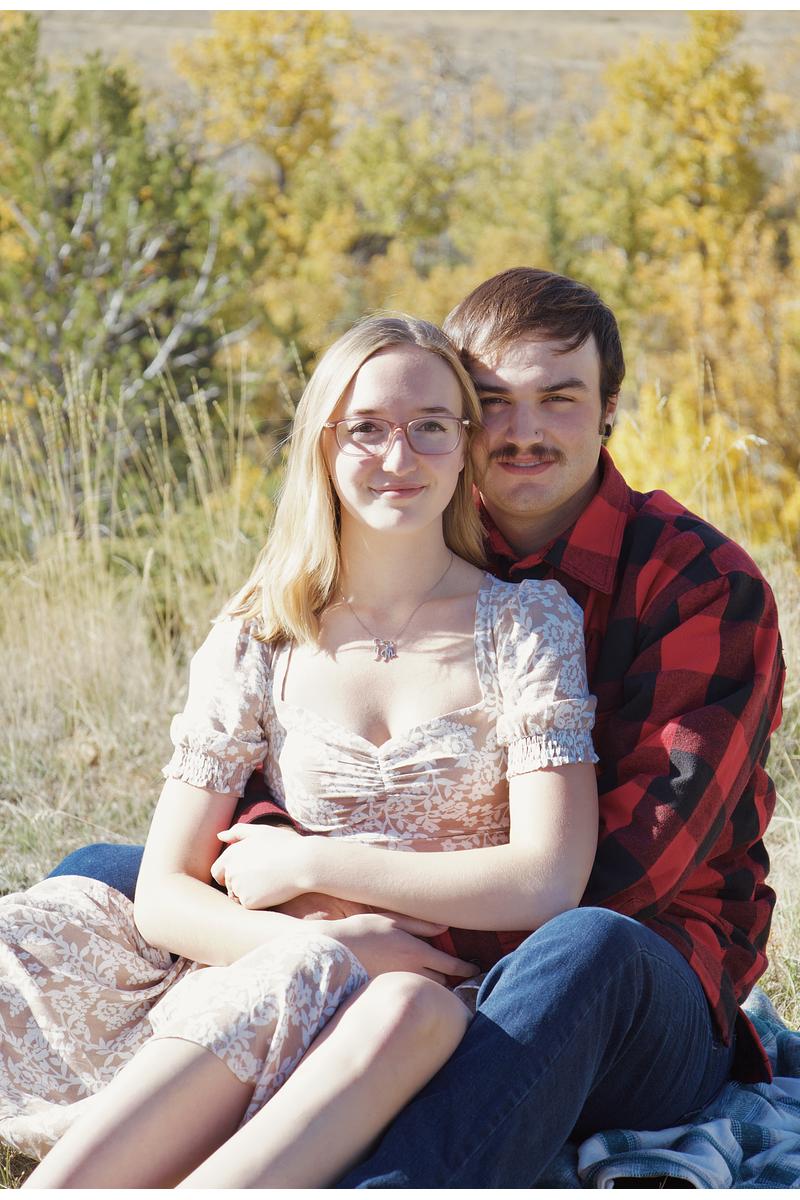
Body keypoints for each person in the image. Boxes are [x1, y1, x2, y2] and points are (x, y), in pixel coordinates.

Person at [42, 268, 787, 1187]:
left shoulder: (698, 583)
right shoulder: (414, 524)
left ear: (609, 412)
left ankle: (388, 1178)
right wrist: (307, 897)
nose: (522, 430)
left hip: (629, 974)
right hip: (406, 916)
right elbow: (267, 784)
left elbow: (624, 871)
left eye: (559, 399)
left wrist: (345, 911)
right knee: (108, 874)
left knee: (583, 950)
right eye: (493, 401)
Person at [3, 313, 599, 1188]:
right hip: (263, 962)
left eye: (431, 426)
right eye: (367, 428)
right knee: (31, 934)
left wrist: (312, 863)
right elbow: (163, 895)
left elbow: (547, 880)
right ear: (323, 443)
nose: (399, 456)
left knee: (400, 1007)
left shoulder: (528, 624)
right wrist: (325, 947)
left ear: (466, 446)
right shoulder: (261, 633)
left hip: (423, 995)